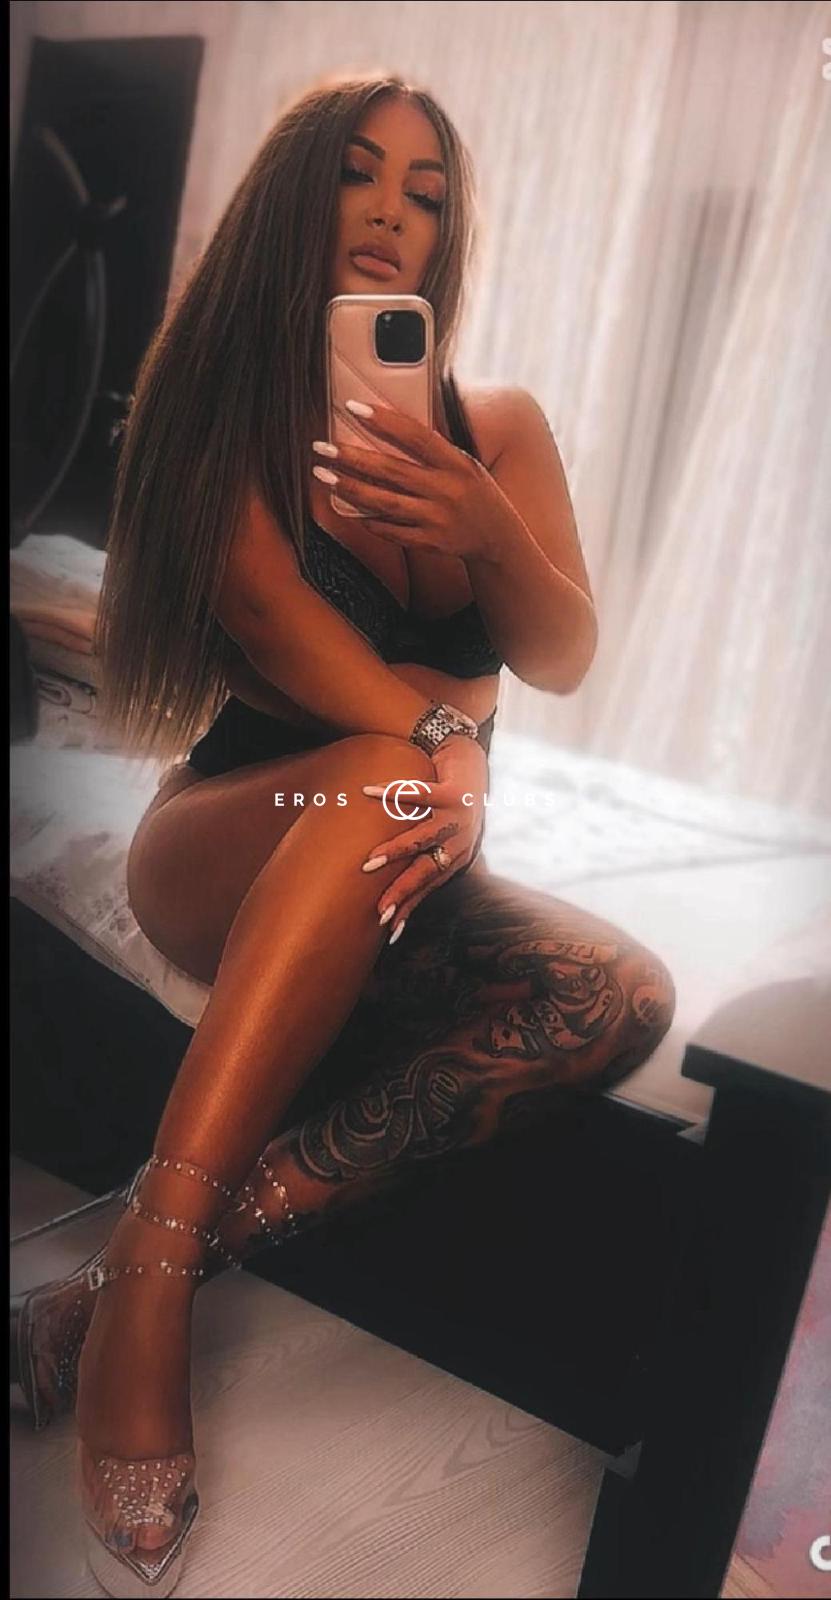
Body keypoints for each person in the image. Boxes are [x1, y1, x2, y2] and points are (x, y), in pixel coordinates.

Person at [12, 73, 676, 1598]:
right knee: (377, 771)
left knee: (618, 994)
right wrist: (456, 755)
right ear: (296, 202)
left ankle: (131, 1266)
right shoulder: (221, 423)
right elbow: (307, 660)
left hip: (396, 869)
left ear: (447, 236)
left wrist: (483, 526)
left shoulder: (496, 430)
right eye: (359, 176)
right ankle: (154, 1300)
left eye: (426, 194)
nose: (391, 212)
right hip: (236, 838)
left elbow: (563, 650)